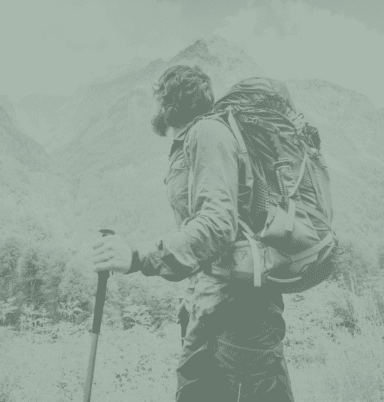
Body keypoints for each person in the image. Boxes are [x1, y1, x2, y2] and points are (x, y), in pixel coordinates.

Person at [86, 65, 294, 402]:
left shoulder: (207, 134)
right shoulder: (197, 138)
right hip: (212, 306)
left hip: (242, 315)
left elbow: (217, 224)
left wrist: (139, 257)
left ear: (168, 105)